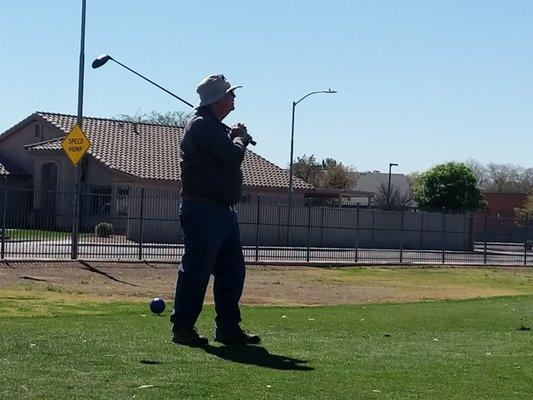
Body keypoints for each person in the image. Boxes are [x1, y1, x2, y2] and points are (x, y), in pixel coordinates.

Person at [170, 74, 260, 347]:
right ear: (217, 100)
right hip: (203, 210)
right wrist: (241, 139)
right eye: (230, 94)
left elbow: (225, 150)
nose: (234, 99)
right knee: (197, 270)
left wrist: (233, 136)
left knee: (232, 271)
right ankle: (183, 328)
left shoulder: (212, 126)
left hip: (222, 211)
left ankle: (228, 328)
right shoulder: (200, 126)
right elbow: (232, 157)